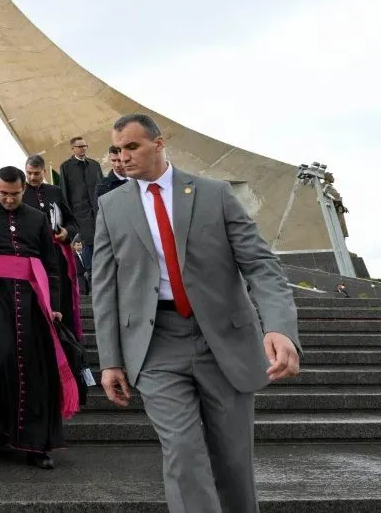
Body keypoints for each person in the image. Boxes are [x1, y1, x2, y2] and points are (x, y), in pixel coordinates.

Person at [93, 113, 301, 513]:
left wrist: (278, 327)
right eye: (117, 150)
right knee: (183, 453)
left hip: (222, 338)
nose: (124, 156)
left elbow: (260, 264)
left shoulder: (213, 194)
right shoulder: (110, 206)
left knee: (233, 462)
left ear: (159, 142)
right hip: (155, 345)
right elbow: (104, 287)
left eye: (132, 146)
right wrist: (110, 360)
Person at [0, 166, 77, 469]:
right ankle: (3, 427)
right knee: (0, 362)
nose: (9, 199)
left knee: (34, 366)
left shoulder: (38, 219)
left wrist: (54, 303)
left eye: (14, 194)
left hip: (32, 299)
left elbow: (50, 263)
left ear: (23, 190)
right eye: (3, 193)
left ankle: (38, 444)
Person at [22, 155, 81, 338]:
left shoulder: (55, 191)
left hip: (57, 256)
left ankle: (69, 348)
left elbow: (72, 221)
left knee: (62, 300)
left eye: (36, 173)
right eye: (29, 173)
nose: (32, 178)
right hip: (32, 256)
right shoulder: (20, 193)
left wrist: (67, 233)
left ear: (44, 172)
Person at [59, 136, 101, 254]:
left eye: (85, 146)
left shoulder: (94, 165)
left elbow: (102, 187)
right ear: (72, 148)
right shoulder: (66, 167)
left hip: (97, 213)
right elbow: (64, 192)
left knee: (101, 244)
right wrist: (69, 216)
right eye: (80, 146)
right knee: (86, 248)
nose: (83, 149)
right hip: (80, 215)